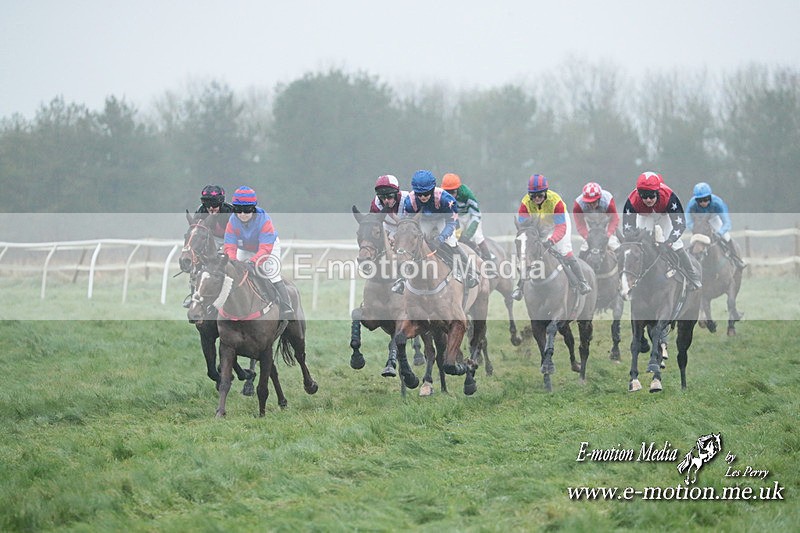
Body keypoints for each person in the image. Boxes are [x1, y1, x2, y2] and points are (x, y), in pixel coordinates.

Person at [393, 170, 478, 294]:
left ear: (432, 190)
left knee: (451, 242)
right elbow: (408, 223)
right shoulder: (410, 201)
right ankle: (401, 279)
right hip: (423, 220)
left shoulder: (446, 199)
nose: (423, 197)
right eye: (419, 194)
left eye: (426, 193)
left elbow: (451, 222)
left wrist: (441, 238)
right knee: (413, 243)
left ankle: (469, 272)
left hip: (443, 219)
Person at [512, 174, 592, 299]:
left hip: (558, 224)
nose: (537, 198)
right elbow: (524, 228)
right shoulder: (525, 203)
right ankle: (520, 287)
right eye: (533, 195)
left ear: (546, 192)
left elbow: (561, 227)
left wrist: (552, 240)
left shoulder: (556, 201)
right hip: (538, 225)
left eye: (540, 195)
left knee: (564, 251)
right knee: (528, 253)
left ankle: (582, 282)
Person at [223, 186, 294, 320]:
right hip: (245, 248)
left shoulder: (264, 220)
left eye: (246, 210)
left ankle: (287, 307)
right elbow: (229, 245)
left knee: (272, 274)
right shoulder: (232, 221)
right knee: (231, 272)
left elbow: (265, 249)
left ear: (253, 208)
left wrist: (253, 262)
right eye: (238, 210)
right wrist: (233, 261)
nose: (242, 214)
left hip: (268, 246)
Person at [622, 171, 702, 289]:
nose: (648, 199)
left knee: (676, 244)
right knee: (641, 244)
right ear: (638, 193)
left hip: (664, 216)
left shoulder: (669, 197)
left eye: (651, 195)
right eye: (644, 195)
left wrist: (669, 242)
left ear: (658, 191)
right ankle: (629, 278)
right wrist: (635, 240)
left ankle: (692, 275)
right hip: (644, 216)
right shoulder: (632, 201)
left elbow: (680, 225)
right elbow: (628, 229)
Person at [183, 185, 235, 307]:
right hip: (212, 239)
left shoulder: (230, 211)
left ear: (221, 202)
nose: (211, 208)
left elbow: (237, 233)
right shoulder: (201, 211)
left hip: (231, 238)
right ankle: (194, 295)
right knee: (198, 263)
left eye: (214, 204)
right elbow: (196, 233)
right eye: (207, 204)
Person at [686, 182, 746, 269]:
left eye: (705, 199)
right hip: (699, 222)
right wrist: (695, 229)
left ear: (710, 197)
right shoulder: (691, 203)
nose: (703, 202)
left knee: (726, 237)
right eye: (699, 200)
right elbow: (688, 220)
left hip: (714, 219)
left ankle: (736, 259)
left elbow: (727, 223)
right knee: (694, 242)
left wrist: (719, 233)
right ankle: (689, 263)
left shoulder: (718, 202)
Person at [441, 172, 495, 261]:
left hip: (471, 216)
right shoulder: (441, 196)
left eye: (452, 192)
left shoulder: (466, 194)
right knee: (452, 237)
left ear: (458, 189)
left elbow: (476, 215)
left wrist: (467, 235)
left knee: (477, 236)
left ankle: (488, 261)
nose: (450, 195)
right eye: (447, 192)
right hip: (457, 217)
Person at [573, 181, 620, 255]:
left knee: (615, 246)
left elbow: (614, 219)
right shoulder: (578, 205)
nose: (592, 205)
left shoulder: (607, 199)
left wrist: (608, 234)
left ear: (599, 198)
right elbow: (580, 224)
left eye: (594, 202)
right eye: (588, 202)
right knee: (583, 250)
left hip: (605, 227)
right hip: (592, 229)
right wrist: (586, 236)